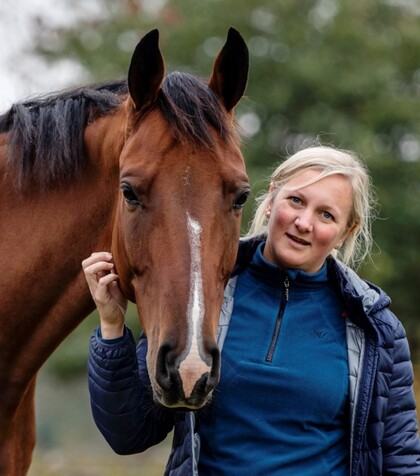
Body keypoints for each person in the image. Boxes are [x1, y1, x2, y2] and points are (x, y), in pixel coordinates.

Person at [83, 145, 420, 475]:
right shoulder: (203, 295)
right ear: (272, 199)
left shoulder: (374, 328)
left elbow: (401, 460)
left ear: (346, 233)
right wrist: (112, 326)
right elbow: (129, 432)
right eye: (296, 201)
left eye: (326, 215)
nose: (304, 222)